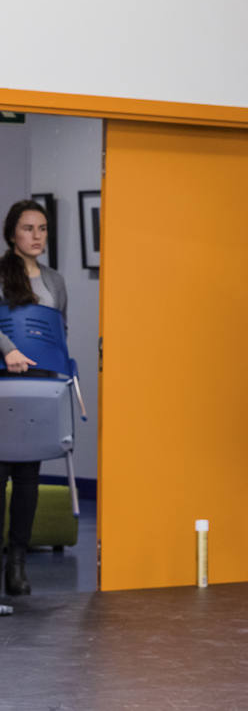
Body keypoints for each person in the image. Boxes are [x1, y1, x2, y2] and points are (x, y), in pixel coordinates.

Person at [1, 199, 68, 597]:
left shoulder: (55, 280)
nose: (37, 236)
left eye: (42, 228)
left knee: (28, 479)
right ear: (12, 233)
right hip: (5, 380)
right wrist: (7, 349)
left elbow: (60, 327)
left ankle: (18, 563)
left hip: (40, 386)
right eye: (28, 228)